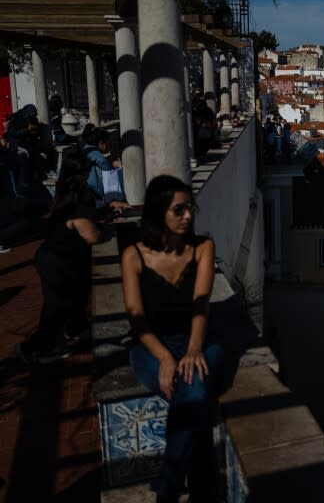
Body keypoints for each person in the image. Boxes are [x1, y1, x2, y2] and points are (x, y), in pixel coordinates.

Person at [121, 175, 223, 503]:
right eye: (178, 210)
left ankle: (169, 480)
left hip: (199, 337)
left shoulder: (202, 248)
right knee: (194, 396)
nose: (188, 216)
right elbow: (136, 319)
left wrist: (193, 348)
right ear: (158, 212)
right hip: (151, 345)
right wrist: (165, 357)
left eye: (189, 208)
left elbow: (201, 304)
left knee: (192, 382)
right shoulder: (134, 256)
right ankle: (202, 490)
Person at [15, 150, 102, 364]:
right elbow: (91, 235)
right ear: (80, 174)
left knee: (73, 298)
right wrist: (103, 229)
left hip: (59, 259)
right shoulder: (76, 200)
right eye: (88, 172)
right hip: (59, 263)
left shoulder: (67, 193)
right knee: (56, 309)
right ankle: (37, 349)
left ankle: (76, 328)